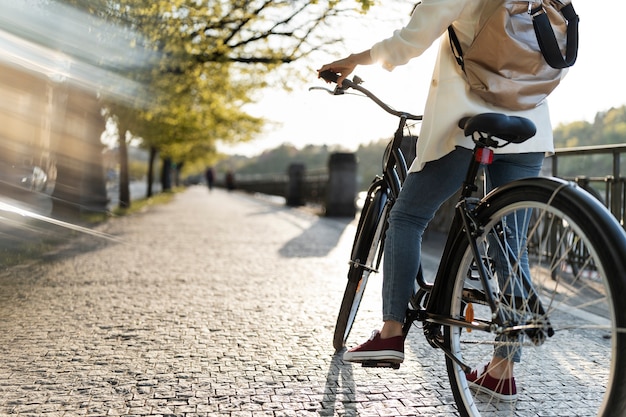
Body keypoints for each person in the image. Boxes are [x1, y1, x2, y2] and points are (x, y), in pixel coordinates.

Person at [318, 0, 556, 402]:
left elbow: (409, 42)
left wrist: (354, 60)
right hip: (529, 123)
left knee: (408, 216)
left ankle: (392, 332)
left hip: (464, 124)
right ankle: (502, 369)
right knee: (510, 245)